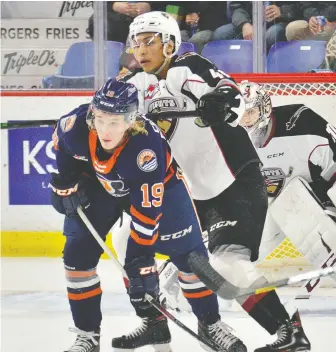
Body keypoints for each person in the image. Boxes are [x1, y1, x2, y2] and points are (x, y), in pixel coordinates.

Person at [110, 10, 311, 352]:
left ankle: (289, 332)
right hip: (193, 193)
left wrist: (220, 102)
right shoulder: (138, 85)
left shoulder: (185, 67)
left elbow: (230, 90)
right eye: (136, 42)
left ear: (170, 44)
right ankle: (155, 323)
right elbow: (105, 112)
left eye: (149, 41)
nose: (140, 49)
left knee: (227, 268)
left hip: (234, 182)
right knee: (126, 236)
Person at [50, 78, 247, 352]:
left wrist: (140, 261)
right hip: (99, 185)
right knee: (76, 256)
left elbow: (146, 215)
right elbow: (65, 158)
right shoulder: (73, 127)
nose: (105, 129)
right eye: (101, 119)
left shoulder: (146, 149)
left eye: (115, 122)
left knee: (188, 257)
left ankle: (210, 324)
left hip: (163, 188)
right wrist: (65, 185)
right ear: (93, 114)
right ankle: (90, 335)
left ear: (131, 121)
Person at [238, 81, 336, 287]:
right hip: (276, 206)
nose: (245, 120)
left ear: (264, 109)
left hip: (318, 197)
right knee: (250, 260)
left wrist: (327, 206)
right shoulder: (227, 136)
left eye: (251, 112)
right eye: (240, 113)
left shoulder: (302, 123)